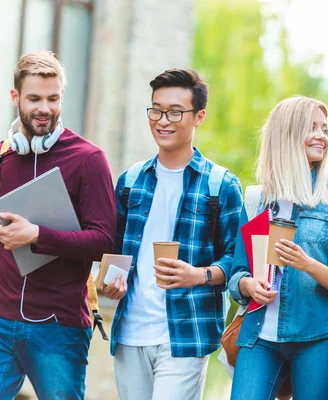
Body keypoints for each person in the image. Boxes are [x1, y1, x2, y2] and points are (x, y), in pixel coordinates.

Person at [0, 50, 116, 399]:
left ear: (62, 95)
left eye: (53, 98)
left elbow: (104, 240)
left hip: (58, 327)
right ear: (15, 97)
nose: (44, 108)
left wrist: (38, 234)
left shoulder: (90, 159)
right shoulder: (2, 154)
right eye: (34, 98)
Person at [102, 68, 243, 400]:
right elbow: (115, 248)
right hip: (130, 332)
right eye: (156, 109)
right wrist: (110, 280)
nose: (162, 120)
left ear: (199, 117)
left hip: (186, 333)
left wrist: (200, 274)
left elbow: (239, 263)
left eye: (175, 112)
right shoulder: (130, 180)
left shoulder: (219, 185)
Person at [228, 96, 328, 400]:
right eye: (311, 127)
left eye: (324, 129)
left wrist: (307, 264)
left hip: (319, 338)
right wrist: (249, 285)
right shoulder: (257, 199)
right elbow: (237, 274)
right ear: (286, 133)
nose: (321, 136)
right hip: (259, 336)